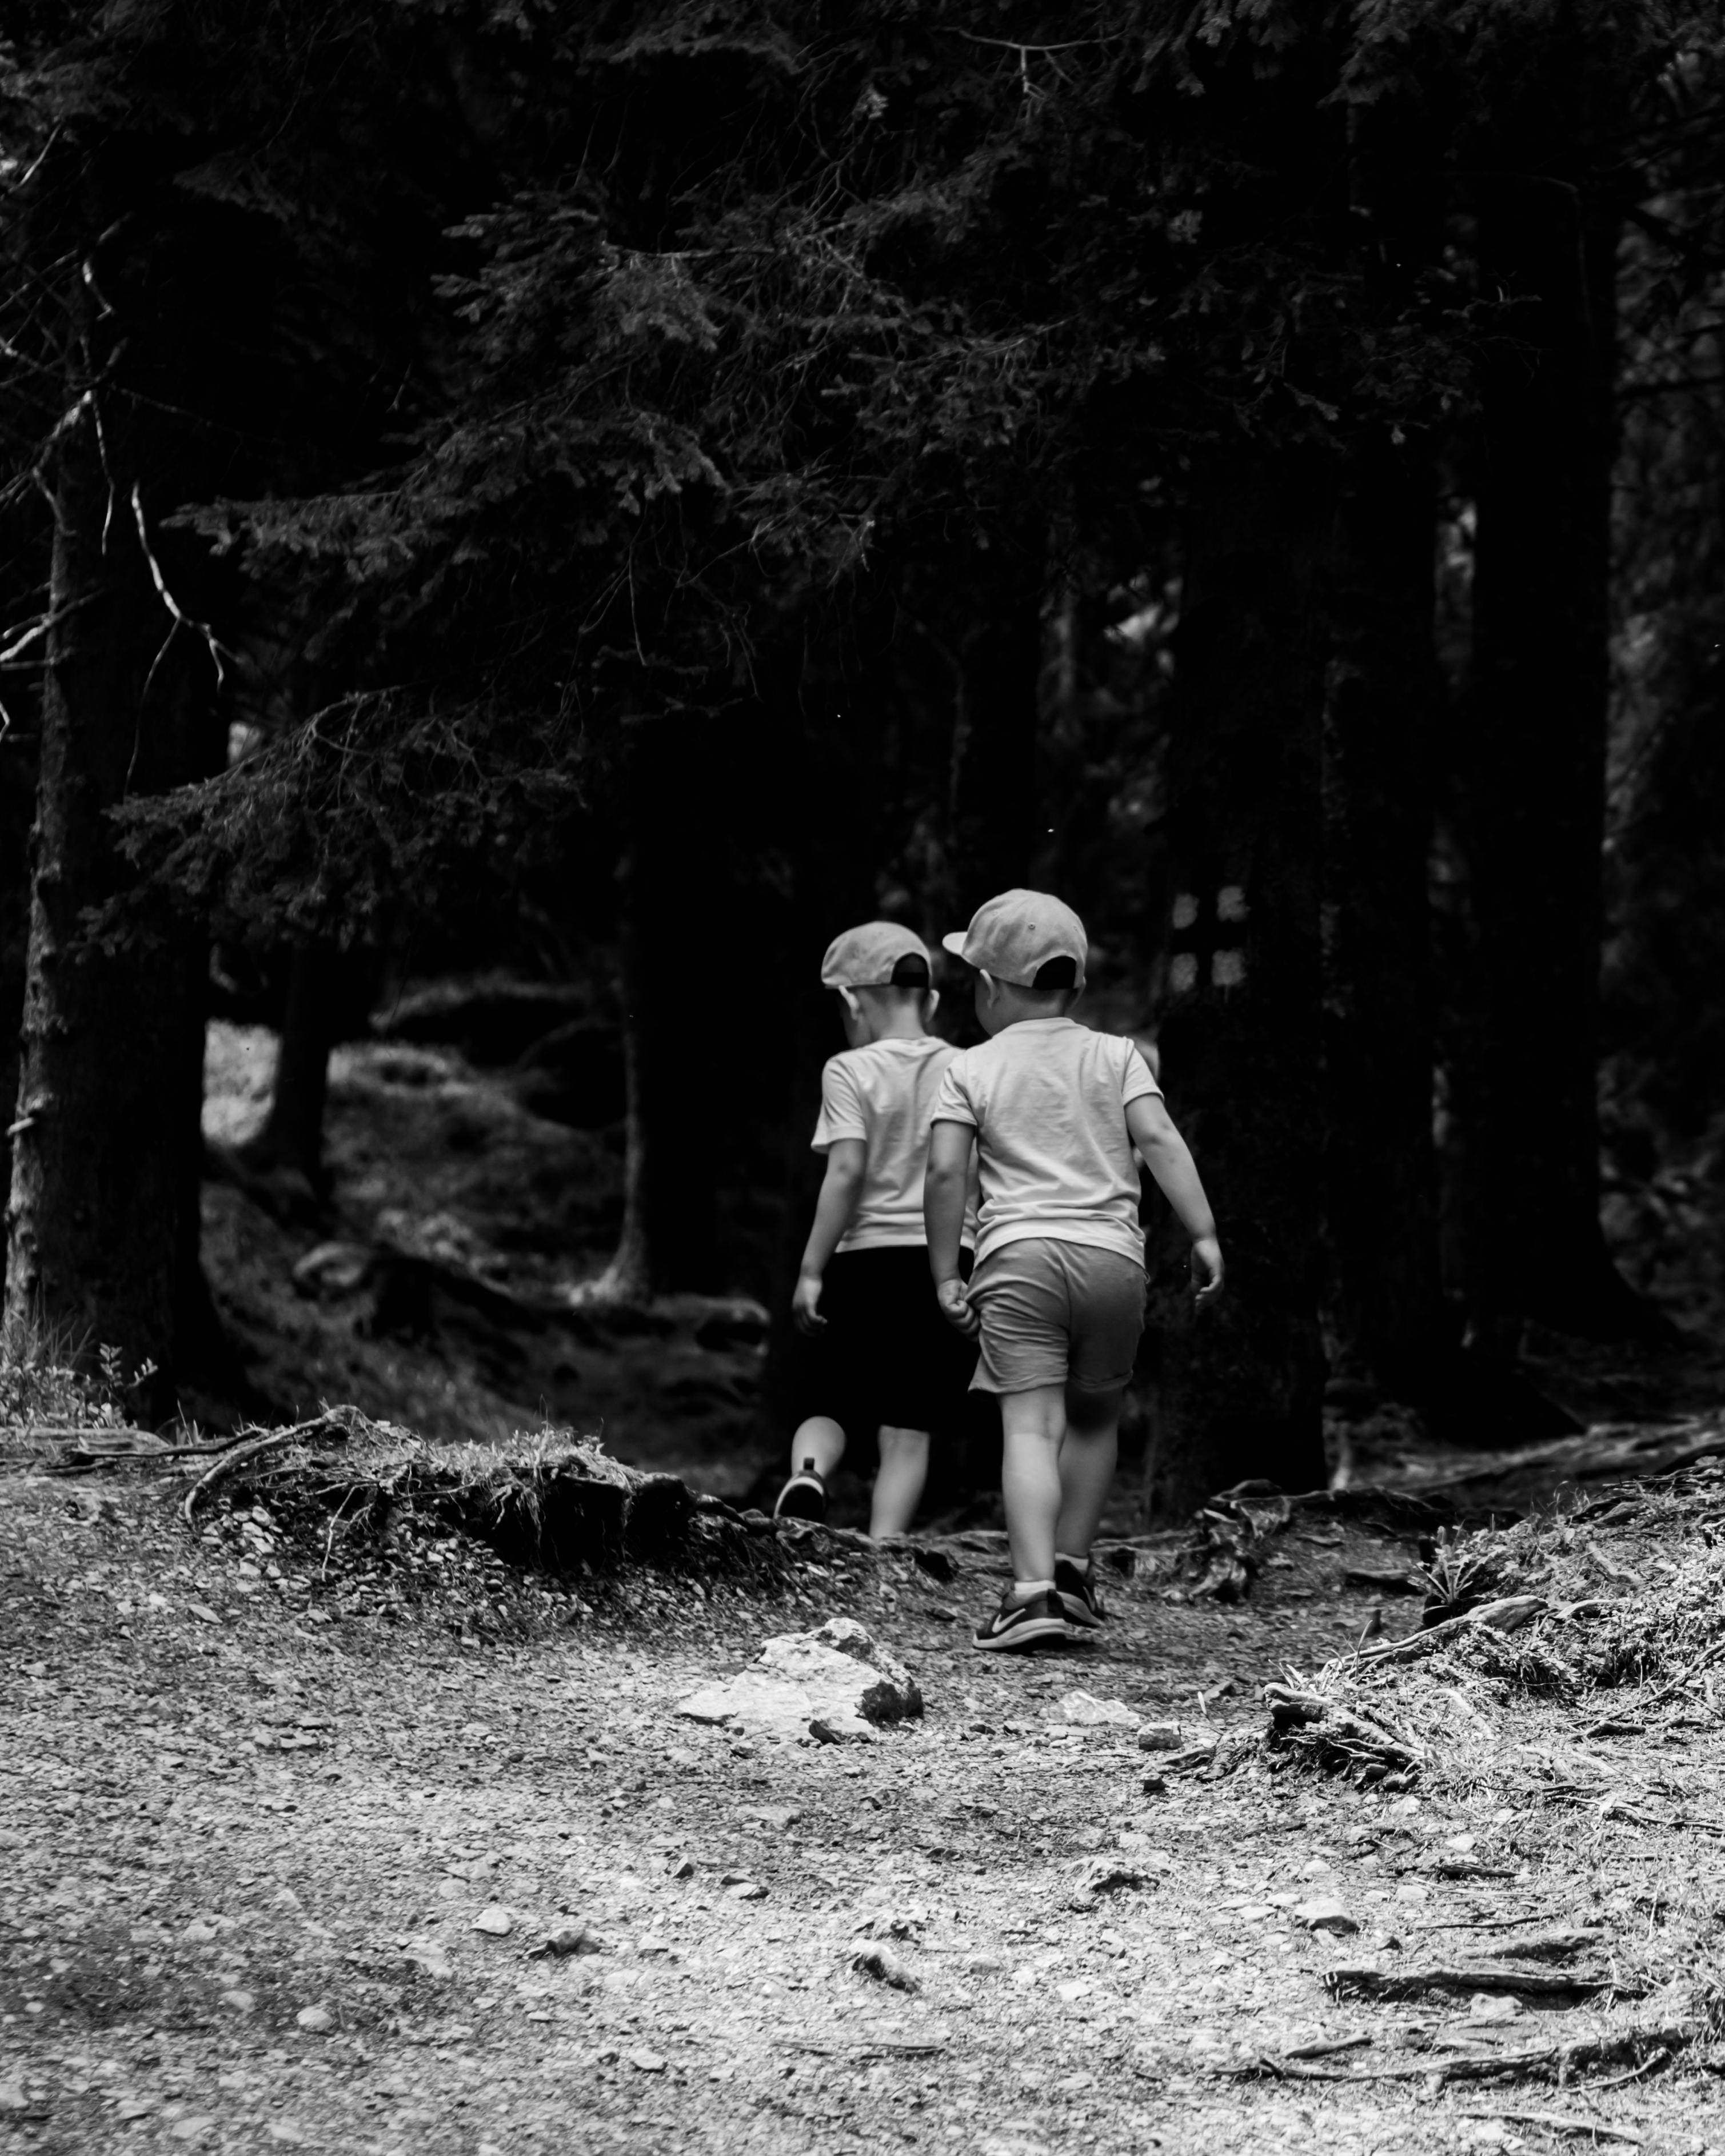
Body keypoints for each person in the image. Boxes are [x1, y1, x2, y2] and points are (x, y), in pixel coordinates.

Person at [923, 890, 1223, 1650]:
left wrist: (944, 1274)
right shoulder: (1117, 1055)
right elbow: (1158, 1140)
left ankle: (1030, 1595)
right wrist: (1203, 1232)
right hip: (1112, 1264)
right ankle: (1073, 1572)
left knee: (1029, 1424)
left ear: (988, 989)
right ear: (1077, 988)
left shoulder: (968, 1068)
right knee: (1093, 1421)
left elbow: (945, 1178)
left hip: (1019, 1259)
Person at [774, 921, 977, 1539]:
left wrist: (812, 1268)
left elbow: (846, 1169)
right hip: (944, 1264)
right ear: (932, 1001)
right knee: (908, 1425)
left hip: (863, 1259)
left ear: (853, 1002)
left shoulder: (847, 1070)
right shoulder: (968, 1067)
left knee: (828, 1402)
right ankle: (883, 1553)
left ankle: (809, 1474)